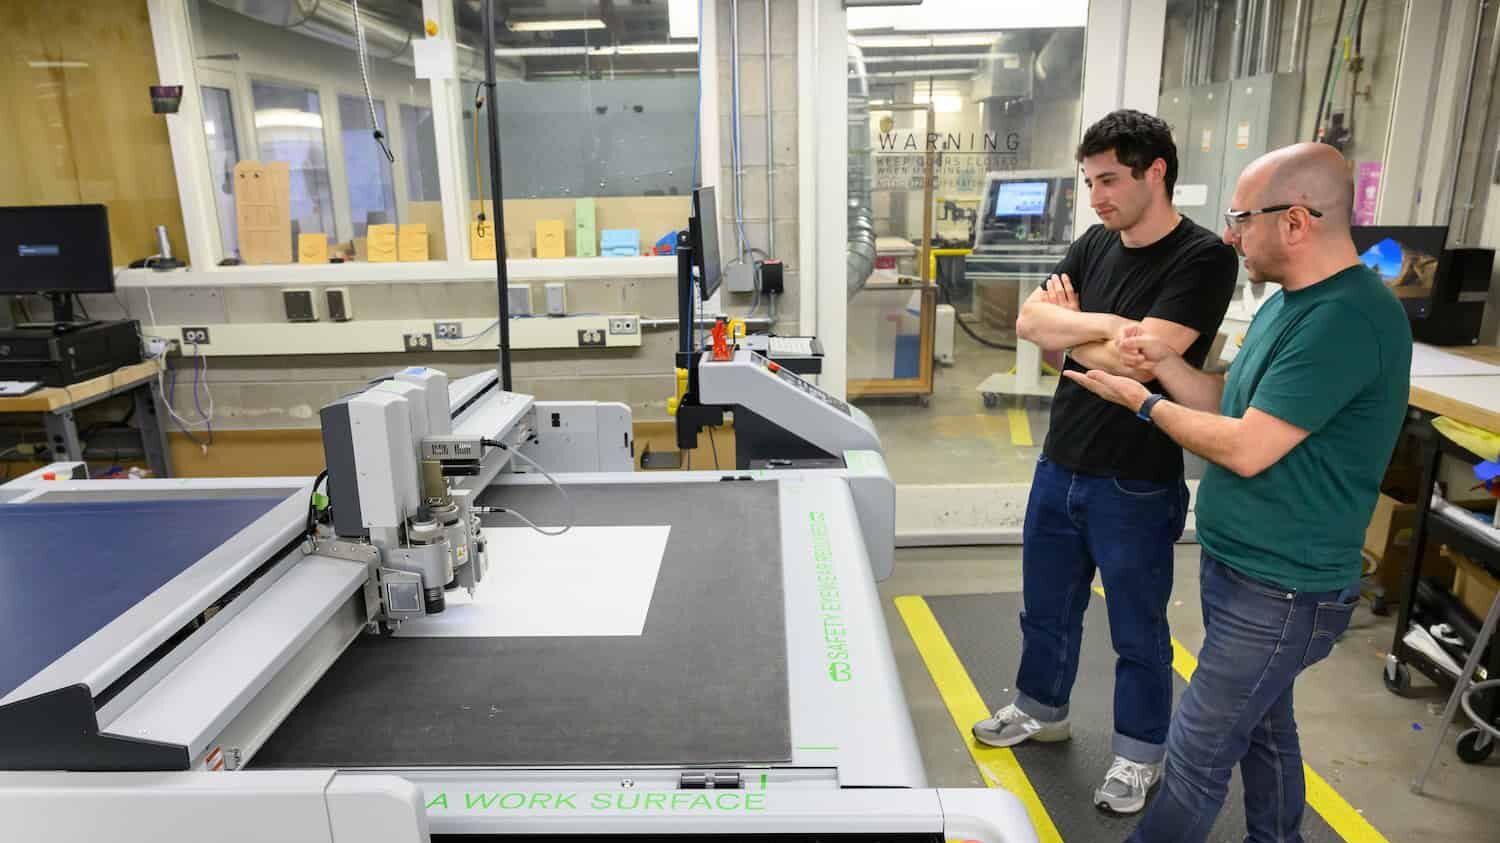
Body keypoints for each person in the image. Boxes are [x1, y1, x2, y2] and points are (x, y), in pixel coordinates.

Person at [1062, 142, 1411, 842]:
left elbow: (1249, 449)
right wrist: (1165, 365)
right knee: (1265, 733)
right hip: (1241, 566)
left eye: (1241, 217)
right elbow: (1231, 405)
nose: (1229, 235)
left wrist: (1142, 402)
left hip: (1286, 588)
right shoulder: (1289, 305)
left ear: (1296, 221)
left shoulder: (1347, 319)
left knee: (1195, 757)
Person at [971, 109, 1238, 815]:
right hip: (1061, 460)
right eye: (1090, 181)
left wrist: (1082, 332)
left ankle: (1139, 754)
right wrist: (1115, 328)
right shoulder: (1095, 241)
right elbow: (1031, 325)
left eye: (1110, 179)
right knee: (1046, 607)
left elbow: (1145, 365)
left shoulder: (1203, 258)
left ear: (1157, 172)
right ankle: (1040, 707)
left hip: (1136, 476)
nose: (1097, 197)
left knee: (1138, 627)